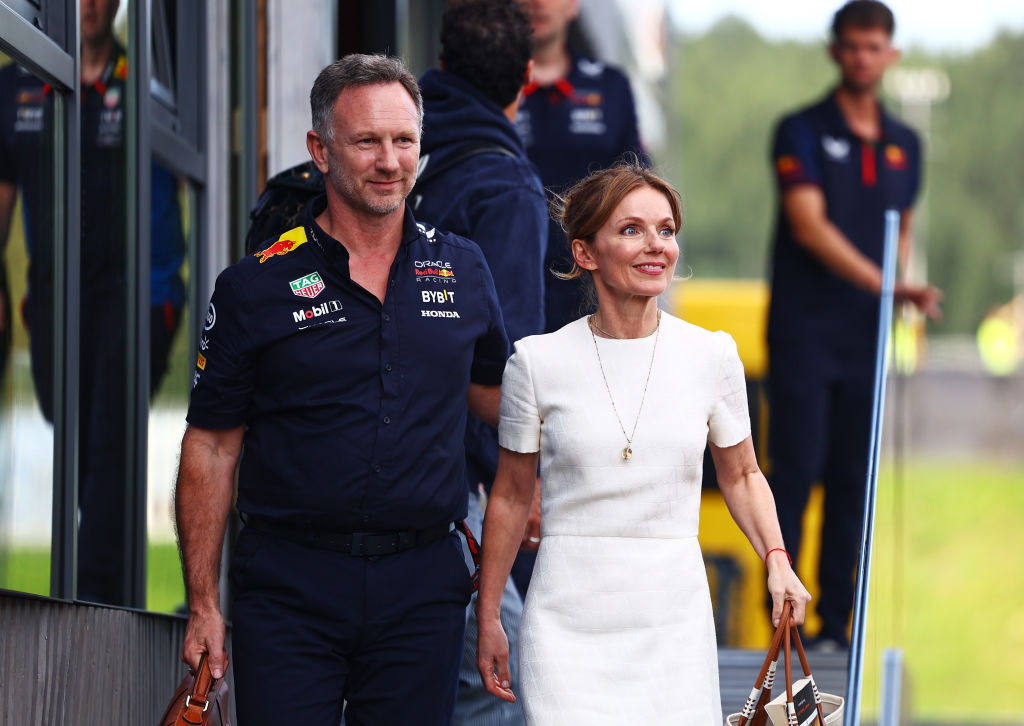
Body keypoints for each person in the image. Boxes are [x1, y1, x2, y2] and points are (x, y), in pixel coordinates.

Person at [175, 54, 510, 726]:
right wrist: (204, 604)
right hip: (289, 587)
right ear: (320, 152)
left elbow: (503, 404)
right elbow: (211, 449)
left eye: (404, 141)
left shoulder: (463, 268)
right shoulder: (256, 286)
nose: (389, 161)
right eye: (367, 142)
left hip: (423, 586)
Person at [475, 163, 811, 724]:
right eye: (631, 230)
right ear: (585, 252)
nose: (656, 245)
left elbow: (744, 474)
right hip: (565, 626)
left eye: (666, 229)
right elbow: (510, 496)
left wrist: (777, 559)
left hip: (672, 621)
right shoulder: (535, 362)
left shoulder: (712, 356)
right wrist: (489, 616)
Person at [766, 0, 942, 649]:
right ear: (835, 50)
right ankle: (785, 624)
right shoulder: (801, 130)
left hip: (867, 337)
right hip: (805, 333)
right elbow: (809, 225)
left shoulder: (906, 144)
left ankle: (839, 628)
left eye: (875, 46)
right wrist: (888, 284)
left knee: (852, 481)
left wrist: (897, 288)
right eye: (853, 45)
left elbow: (904, 229)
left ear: (891, 54)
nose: (864, 57)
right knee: (796, 473)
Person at [0, 0, 185, 604]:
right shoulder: (18, 88)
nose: (91, 6)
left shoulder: (146, 88)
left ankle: (92, 613)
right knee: (89, 453)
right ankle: (114, 594)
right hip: (55, 304)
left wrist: (163, 300)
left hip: (136, 301)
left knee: (108, 453)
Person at [415, 2, 546, 724]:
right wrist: (514, 485)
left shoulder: (392, 153)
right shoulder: (504, 187)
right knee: (497, 685)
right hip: (446, 491)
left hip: (340, 477)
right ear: (526, 77)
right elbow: (509, 368)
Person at [516, 0, 646, 336]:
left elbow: (638, 186)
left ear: (573, 6)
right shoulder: (489, 89)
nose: (538, 3)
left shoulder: (610, 87)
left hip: (592, 282)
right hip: (509, 278)